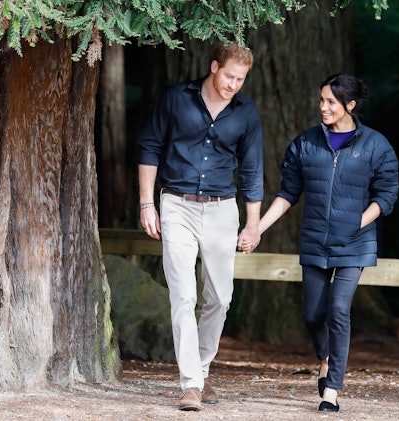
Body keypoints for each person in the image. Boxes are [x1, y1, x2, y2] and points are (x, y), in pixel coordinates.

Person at [255, 73, 399, 413]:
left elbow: (387, 193)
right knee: (312, 314)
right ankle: (325, 356)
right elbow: (288, 192)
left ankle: (332, 389)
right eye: (322, 100)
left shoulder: (376, 145)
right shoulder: (305, 144)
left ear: (350, 105)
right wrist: (257, 228)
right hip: (314, 242)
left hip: (355, 243)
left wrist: (357, 223)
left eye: (331, 102)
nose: (323, 107)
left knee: (338, 311)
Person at [138, 42, 263, 411]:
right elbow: (149, 148)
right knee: (183, 295)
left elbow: (252, 170)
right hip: (176, 204)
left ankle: (203, 369)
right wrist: (147, 203)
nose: (233, 84)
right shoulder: (177, 98)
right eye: (229, 76)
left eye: (240, 79)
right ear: (214, 67)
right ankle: (191, 383)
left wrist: (253, 223)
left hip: (223, 209)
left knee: (220, 298)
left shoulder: (247, 112)